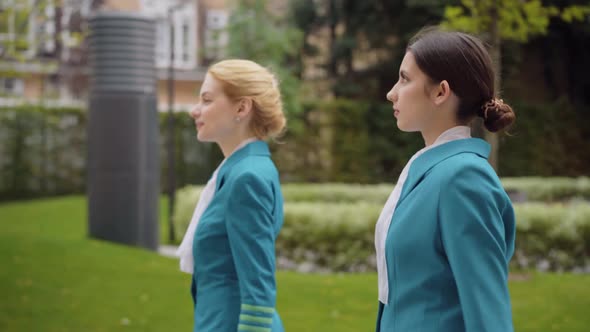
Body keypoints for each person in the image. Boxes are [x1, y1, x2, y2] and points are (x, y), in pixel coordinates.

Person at [374, 27, 517, 332]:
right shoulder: (427, 171)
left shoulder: (464, 179)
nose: (391, 93)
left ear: (441, 92)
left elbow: (488, 311)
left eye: (404, 79)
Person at [176, 59, 286, 332]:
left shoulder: (247, 177)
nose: (194, 110)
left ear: (242, 107)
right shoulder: (240, 169)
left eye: (207, 99)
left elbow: (259, 286)